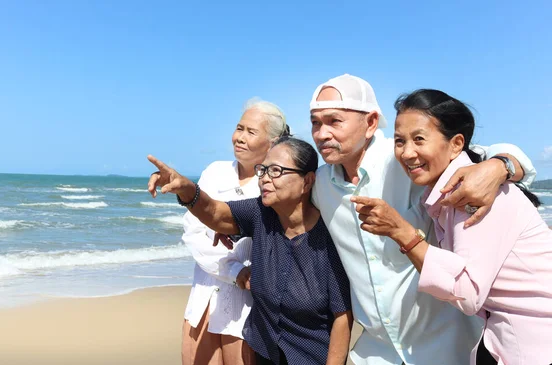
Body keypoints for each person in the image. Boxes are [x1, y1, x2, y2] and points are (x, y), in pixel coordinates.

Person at [308, 74, 537, 365]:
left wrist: (498, 166)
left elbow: (484, 153)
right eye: (315, 123)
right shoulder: (320, 185)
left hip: (447, 344)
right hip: (376, 352)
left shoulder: (409, 160)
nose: (321, 133)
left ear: (370, 123)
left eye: (334, 121)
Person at [148, 137, 353, 365]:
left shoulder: (329, 237)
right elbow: (216, 213)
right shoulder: (260, 213)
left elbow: (342, 316)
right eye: (263, 170)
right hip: (263, 353)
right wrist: (186, 190)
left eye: (276, 171)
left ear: (307, 181)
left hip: (309, 357)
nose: (264, 178)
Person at [178, 99, 288, 365]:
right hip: (204, 297)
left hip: (247, 307)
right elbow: (193, 231)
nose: (240, 137)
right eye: (240, 128)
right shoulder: (215, 172)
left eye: (251, 132)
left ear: (272, 142)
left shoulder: (274, 184)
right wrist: (233, 270)